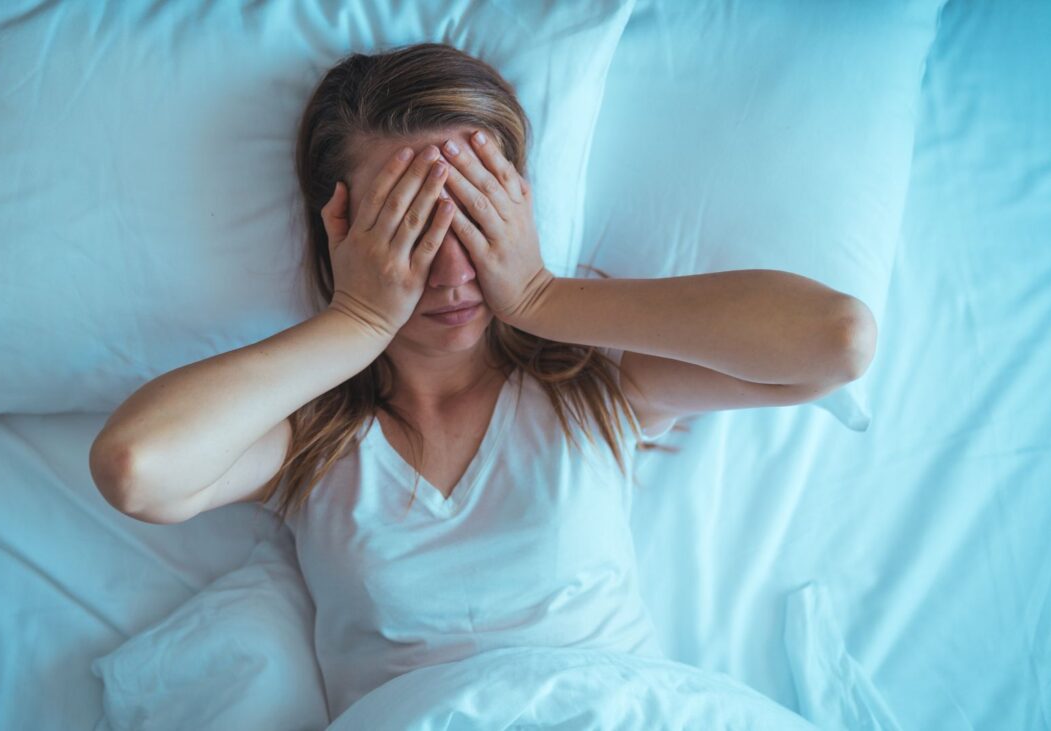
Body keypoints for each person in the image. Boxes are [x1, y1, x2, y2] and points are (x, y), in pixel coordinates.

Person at [88, 42, 876, 721]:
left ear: (519, 208)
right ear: (340, 232)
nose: (455, 268)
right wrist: (357, 319)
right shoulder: (311, 435)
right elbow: (135, 468)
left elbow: (836, 342)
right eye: (413, 225)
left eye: (474, 215)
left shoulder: (596, 382)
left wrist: (540, 294)